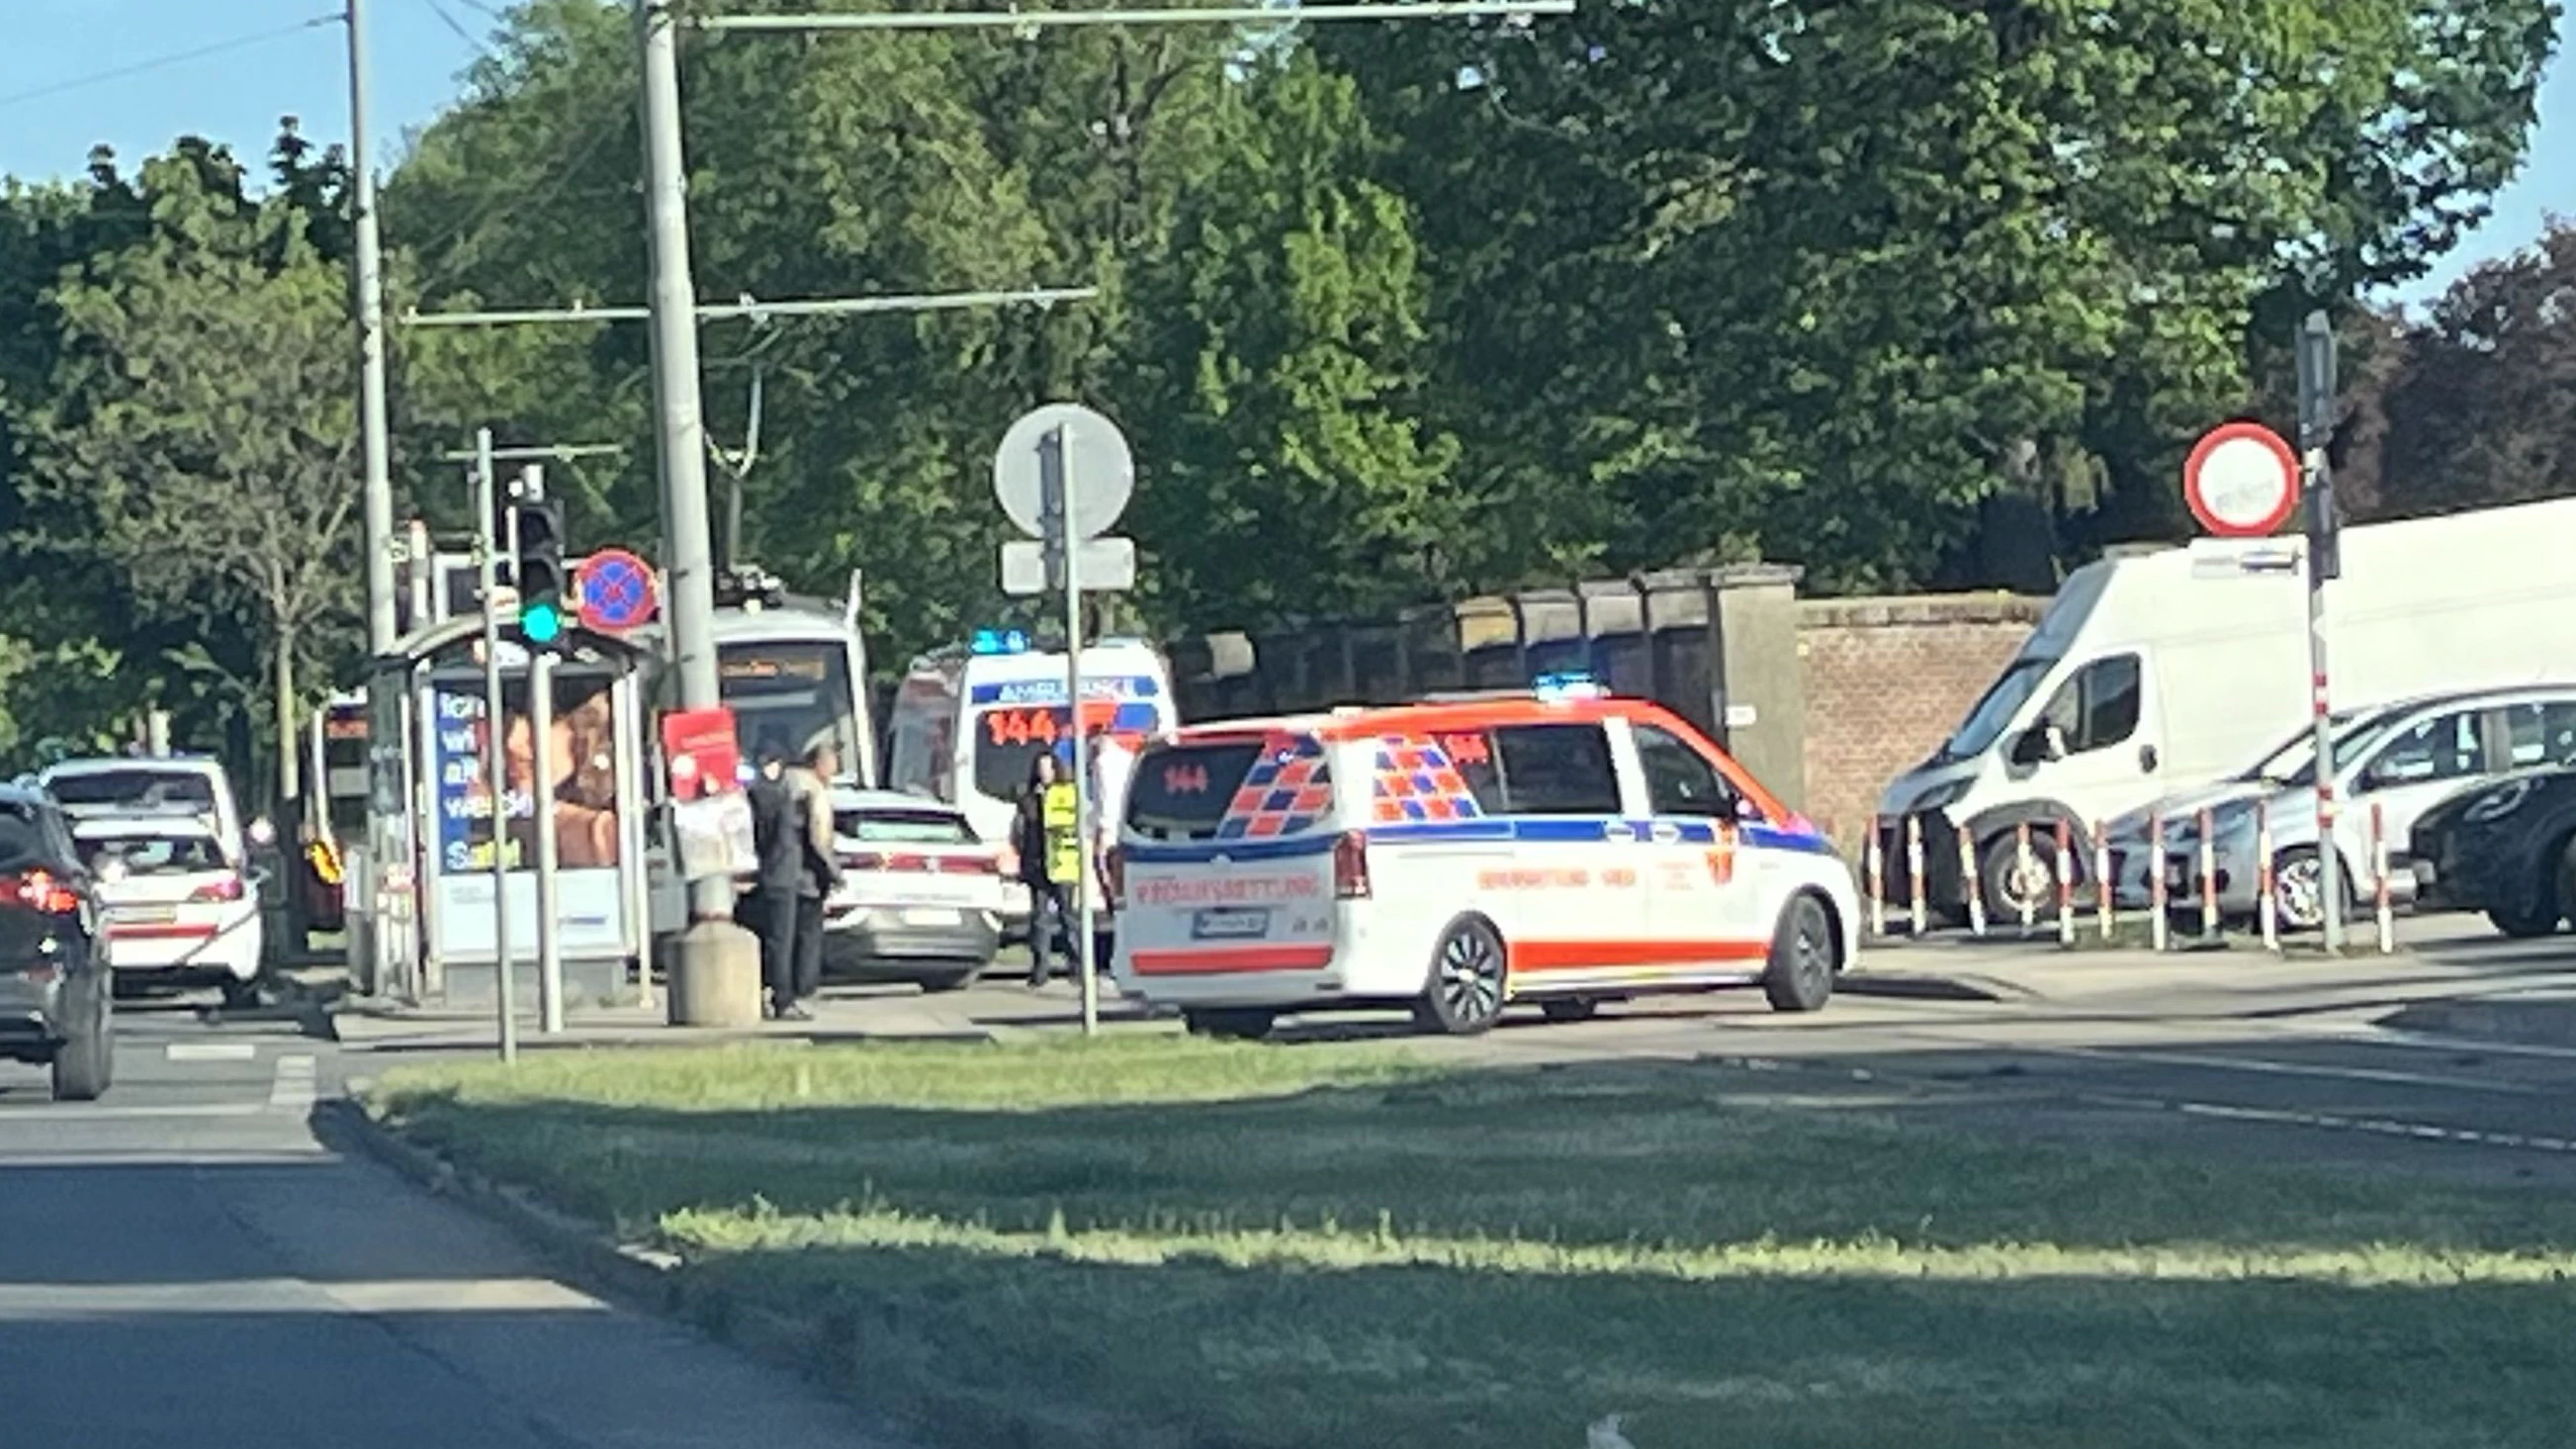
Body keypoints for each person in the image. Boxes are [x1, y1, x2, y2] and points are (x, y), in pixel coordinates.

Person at [777, 739, 843, 1020]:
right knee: (805, 938)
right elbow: (817, 837)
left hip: (785, 874)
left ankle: (787, 992)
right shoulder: (812, 790)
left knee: (785, 939)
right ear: (819, 764)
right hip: (806, 878)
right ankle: (799, 991)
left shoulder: (787, 784)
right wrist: (833, 872)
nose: (835, 769)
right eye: (833, 763)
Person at [738, 739, 801, 1019]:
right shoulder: (780, 796)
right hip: (780, 877)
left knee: (762, 940)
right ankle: (783, 999)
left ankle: (758, 995)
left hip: (753, 876)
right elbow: (782, 841)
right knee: (781, 942)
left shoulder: (748, 796)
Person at [1014, 753, 1072, 987]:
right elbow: (1019, 831)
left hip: (1062, 863)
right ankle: (1040, 969)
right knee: (1039, 919)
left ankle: (1077, 963)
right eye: (1040, 768)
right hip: (1037, 864)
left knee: (1068, 916)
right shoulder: (1028, 799)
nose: (1044, 773)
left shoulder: (1068, 795)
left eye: (1048, 768)